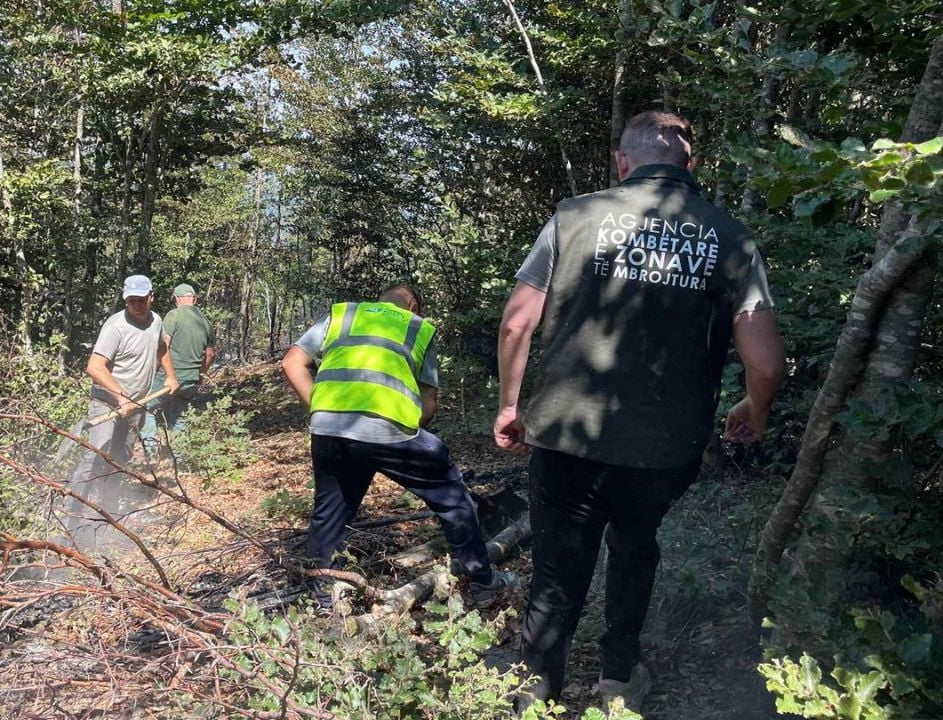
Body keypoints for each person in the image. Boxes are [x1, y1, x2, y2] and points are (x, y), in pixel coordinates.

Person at [495, 111, 785, 712]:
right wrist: (755, 409)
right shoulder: (730, 237)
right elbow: (765, 360)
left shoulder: (572, 217)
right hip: (665, 444)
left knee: (558, 561)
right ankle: (618, 677)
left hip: (565, 432)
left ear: (623, 162)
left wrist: (509, 405)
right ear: (690, 165)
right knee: (636, 541)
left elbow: (518, 322)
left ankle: (537, 689)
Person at [282, 284, 517, 614]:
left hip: (329, 429)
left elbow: (292, 362)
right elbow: (429, 406)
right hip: (388, 431)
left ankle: (320, 602)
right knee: (452, 495)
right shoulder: (417, 327)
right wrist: (401, 422)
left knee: (329, 513)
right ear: (413, 304)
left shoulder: (343, 314)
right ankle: (482, 582)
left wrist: (324, 408)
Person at [71, 274, 180, 512]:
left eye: (141, 299)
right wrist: (121, 397)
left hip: (136, 402)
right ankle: (74, 509)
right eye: (132, 301)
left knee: (122, 456)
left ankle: (108, 511)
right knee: (97, 454)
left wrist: (171, 376)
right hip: (108, 402)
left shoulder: (156, 322)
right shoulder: (115, 327)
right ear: (125, 300)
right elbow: (94, 366)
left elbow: (162, 349)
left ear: (151, 297)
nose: (137, 305)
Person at [141, 283, 216, 457]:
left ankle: (151, 454)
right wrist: (200, 374)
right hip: (190, 378)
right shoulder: (205, 322)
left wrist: (154, 370)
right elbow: (210, 354)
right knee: (179, 416)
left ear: (176, 299)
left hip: (168, 376)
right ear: (194, 299)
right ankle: (180, 457)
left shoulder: (173, 316)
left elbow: (163, 345)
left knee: (147, 408)